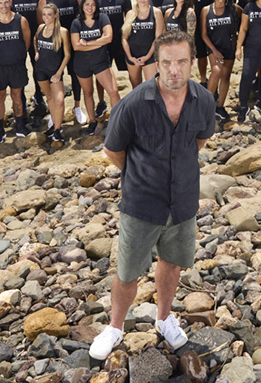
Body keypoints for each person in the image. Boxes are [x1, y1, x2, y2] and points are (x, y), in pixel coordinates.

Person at [90, 30, 216, 360]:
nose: (175, 70)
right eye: (167, 63)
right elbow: (113, 150)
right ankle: (115, 326)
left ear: (192, 63)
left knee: (172, 265)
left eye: (182, 62)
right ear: (156, 64)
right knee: (128, 273)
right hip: (142, 204)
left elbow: (198, 142)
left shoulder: (203, 100)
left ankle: (164, 318)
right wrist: (140, 175)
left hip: (183, 200)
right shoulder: (132, 105)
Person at [0, 0, 32, 143]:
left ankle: (20, 125)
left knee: (17, 96)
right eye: (0, 3)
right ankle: (0, 129)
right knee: (0, 97)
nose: (3, 6)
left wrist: (16, 56)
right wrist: (0, 58)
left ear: (10, 3)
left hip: (17, 66)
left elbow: (27, 42)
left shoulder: (20, 20)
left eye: (6, 2)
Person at [70, 0, 121, 135]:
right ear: (82, 6)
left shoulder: (102, 18)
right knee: (88, 93)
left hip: (101, 62)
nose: (90, 8)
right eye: (87, 4)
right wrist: (98, 42)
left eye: (92, 5)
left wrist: (87, 43)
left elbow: (109, 37)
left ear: (96, 6)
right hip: (82, 63)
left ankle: (118, 120)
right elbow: (76, 46)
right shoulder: (76, 22)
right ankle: (92, 121)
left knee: (113, 92)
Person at [39, 0, 85, 122]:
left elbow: (85, 19)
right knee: (55, 77)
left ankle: (77, 107)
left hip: (72, 44)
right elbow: (42, 24)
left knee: (76, 75)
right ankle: (54, 112)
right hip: (53, 48)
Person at [200, 0, 241, 120]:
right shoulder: (206, 10)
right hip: (213, 47)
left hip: (229, 47)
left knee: (226, 76)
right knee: (216, 71)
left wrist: (238, 42)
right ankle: (208, 105)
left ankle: (220, 107)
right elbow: (203, 34)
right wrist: (214, 50)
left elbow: (246, 19)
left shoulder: (233, 9)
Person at [95, 0, 133, 117]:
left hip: (120, 42)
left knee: (131, 70)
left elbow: (129, 19)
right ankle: (101, 102)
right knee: (101, 74)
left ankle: (134, 97)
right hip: (103, 44)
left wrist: (127, 39)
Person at [9, 0, 47, 110]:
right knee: (19, 69)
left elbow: (46, 15)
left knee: (38, 66)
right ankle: (22, 98)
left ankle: (39, 95)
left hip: (37, 37)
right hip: (18, 39)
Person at [33, 4, 71, 144]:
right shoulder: (40, 28)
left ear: (56, 15)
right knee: (49, 97)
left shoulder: (62, 32)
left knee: (59, 100)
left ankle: (57, 129)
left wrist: (59, 73)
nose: (46, 17)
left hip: (55, 72)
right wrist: (37, 52)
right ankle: (54, 126)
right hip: (40, 70)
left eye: (49, 14)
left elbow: (67, 55)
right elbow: (35, 40)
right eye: (44, 15)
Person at [189, 0, 224, 85]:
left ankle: (217, 81)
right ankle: (203, 80)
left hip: (216, 24)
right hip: (199, 25)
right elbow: (190, 6)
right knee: (201, 56)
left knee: (217, 55)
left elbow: (228, 5)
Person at [122, 0, 161, 88]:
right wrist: (130, 57)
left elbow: (158, 38)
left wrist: (147, 56)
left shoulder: (156, 12)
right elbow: (124, 38)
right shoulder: (130, 14)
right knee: (136, 86)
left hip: (150, 55)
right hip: (133, 55)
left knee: (153, 85)